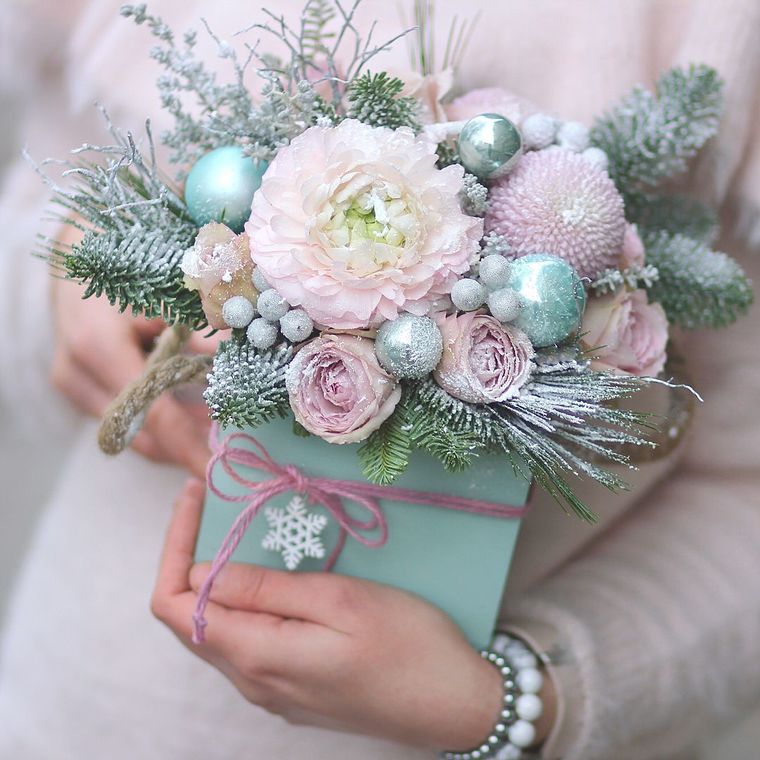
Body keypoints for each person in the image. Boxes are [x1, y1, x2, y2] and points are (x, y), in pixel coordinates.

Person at [1, 1, 759, 758]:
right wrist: (63, 279)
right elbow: (47, 186)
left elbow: (745, 488)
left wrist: (520, 700)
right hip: (76, 703)